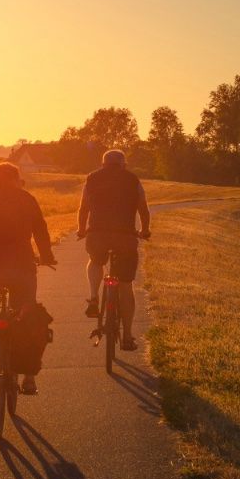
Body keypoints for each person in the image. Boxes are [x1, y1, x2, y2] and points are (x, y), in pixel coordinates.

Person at [0, 161, 57, 393]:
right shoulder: (27, 199)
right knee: (26, 313)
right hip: (21, 266)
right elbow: (40, 230)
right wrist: (46, 256)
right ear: (16, 179)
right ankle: (29, 378)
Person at [77, 148, 150, 347]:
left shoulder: (92, 178)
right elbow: (142, 208)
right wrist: (145, 230)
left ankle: (93, 297)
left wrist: (81, 229)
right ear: (123, 164)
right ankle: (127, 335)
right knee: (125, 285)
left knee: (95, 261)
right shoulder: (133, 179)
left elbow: (84, 207)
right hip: (125, 237)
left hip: (97, 235)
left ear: (103, 164)